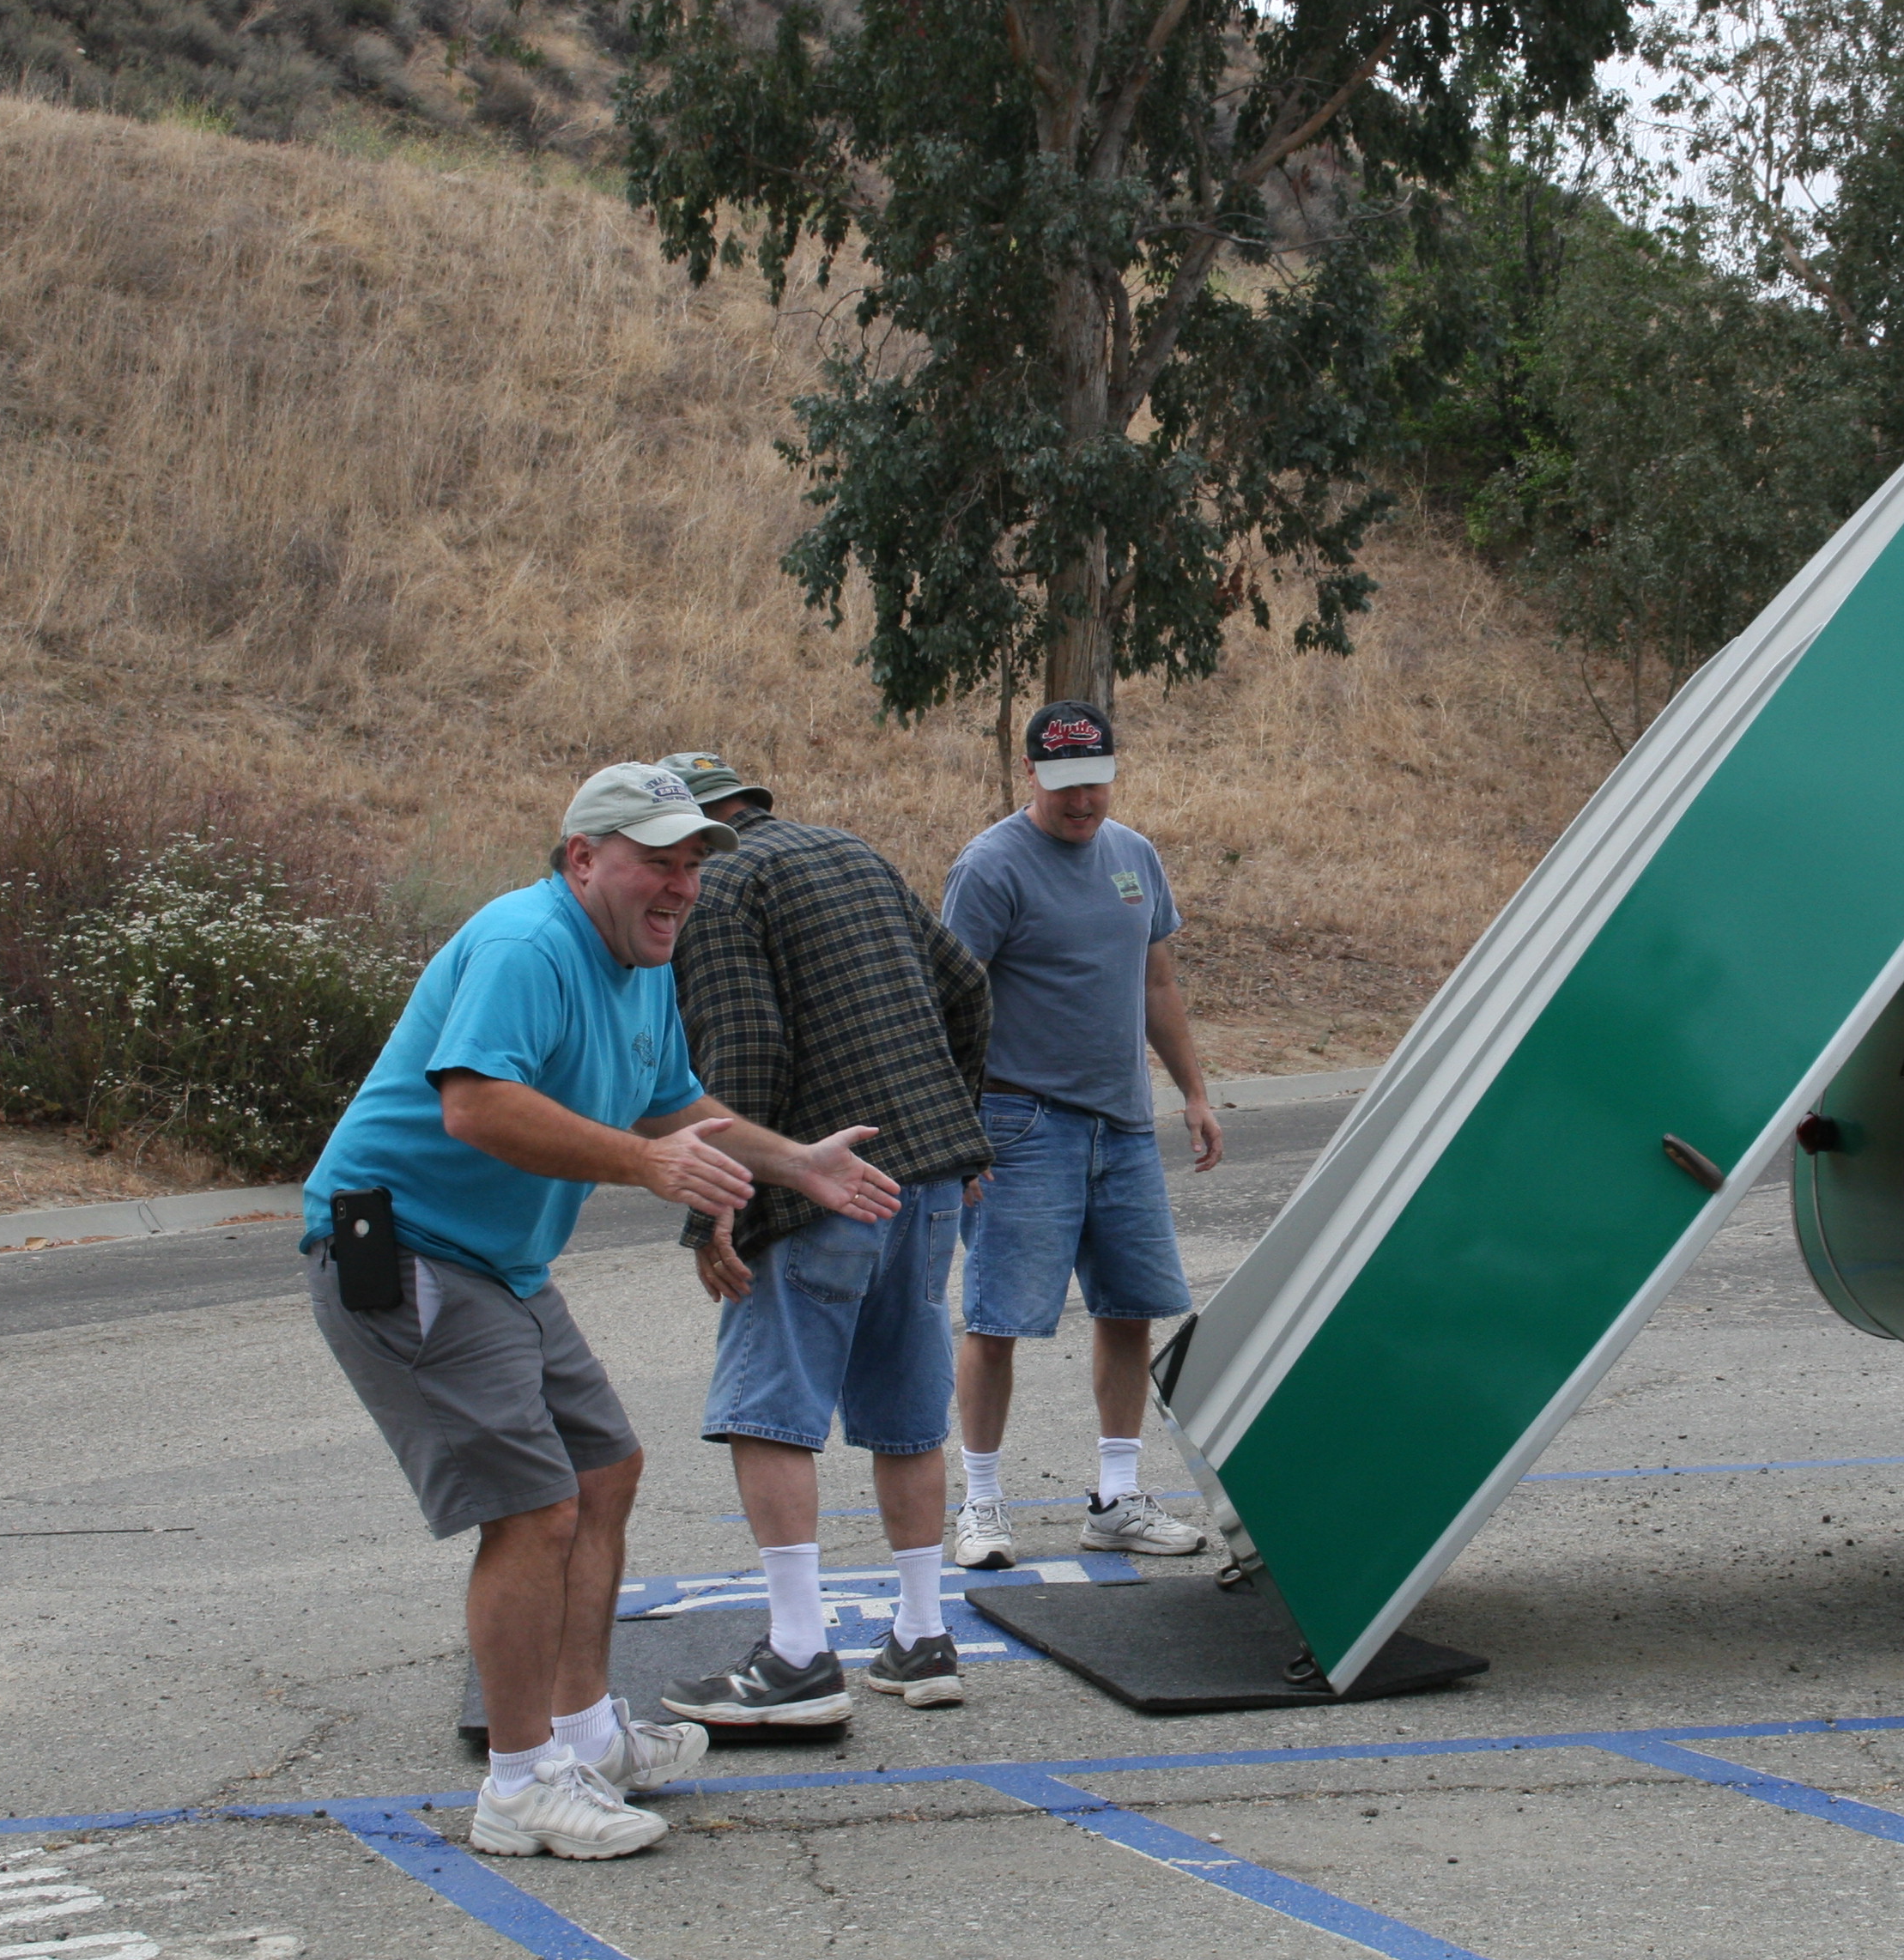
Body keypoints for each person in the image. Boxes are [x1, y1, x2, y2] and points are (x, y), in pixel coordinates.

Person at [304, 762, 902, 1862]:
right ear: (584, 857)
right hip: (409, 1252)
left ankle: (583, 1735)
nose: (679, 885)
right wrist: (643, 1166)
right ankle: (521, 1783)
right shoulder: (527, 944)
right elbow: (476, 1104)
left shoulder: (640, 964)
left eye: (691, 864)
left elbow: (674, 1102)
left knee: (602, 1471)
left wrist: (792, 1162)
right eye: (656, 860)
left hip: (502, 1265)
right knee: (533, 1510)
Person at [652, 751, 991, 1719]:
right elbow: (967, 985)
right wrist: (957, 1123)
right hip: (923, 1174)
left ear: (699, 826)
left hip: (818, 1181)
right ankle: (924, 1639)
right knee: (907, 1402)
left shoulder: (717, 887)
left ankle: (799, 1654)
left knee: (770, 1405)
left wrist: (717, 1203)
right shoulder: (853, 851)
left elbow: (743, 1045)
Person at [939, 701, 1222, 1570]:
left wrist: (1195, 1090)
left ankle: (1116, 1497)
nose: (1083, 801)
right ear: (1032, 775)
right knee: (996, 1318)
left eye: (1096, 781)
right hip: (1021, 1123)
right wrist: (954, 1132)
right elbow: (945, 999)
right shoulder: (991, 867)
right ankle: (980, 1505)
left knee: (1131, 1307)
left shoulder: (1134, 857)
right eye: (1064, 785)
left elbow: (1158, 983)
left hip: (1123, 1123)